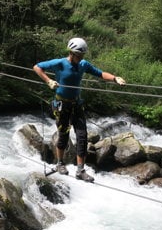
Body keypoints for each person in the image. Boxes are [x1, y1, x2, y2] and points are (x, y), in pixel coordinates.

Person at [33, 37, 126, 182]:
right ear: (71, 53)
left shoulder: (83, 64)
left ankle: (80, 170)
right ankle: (60, 163)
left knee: (82, 136)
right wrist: (49, 81)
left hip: (77, 104)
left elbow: (100, 73)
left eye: (82, 55)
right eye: (79, 55)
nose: (81, 58)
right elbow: (37, 67)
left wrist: (115, 78)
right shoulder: (60, 63)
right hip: (62, 104)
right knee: (63, 134)